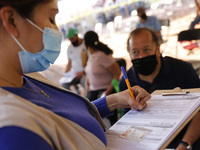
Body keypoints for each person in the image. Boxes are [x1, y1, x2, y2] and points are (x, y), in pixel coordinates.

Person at [0, 0, 151, 149]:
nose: (57, 31)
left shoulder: (27, 77)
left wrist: (113, 100)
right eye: (51, 18)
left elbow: (69, 124)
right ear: (11, 20)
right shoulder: (14, 133)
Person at [119, 27, 200, 149]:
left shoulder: (183, 70)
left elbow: (198, 113)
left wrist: (184, 145)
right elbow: (130, 122)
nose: (141, 56)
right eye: (135, 52)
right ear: (129, 54)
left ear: (157, 49)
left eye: (147, 50)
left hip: (187, 141)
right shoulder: (126, 84)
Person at [84, 30, 121, 125]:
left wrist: (107, 92)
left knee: (112, 122)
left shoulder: (102, 56)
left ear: (85, 44)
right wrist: (88, 83)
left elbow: (117, 73)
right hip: (93, 92)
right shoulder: (91, 56)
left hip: (105, 92)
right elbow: (90, 72)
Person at [60, 28, 87, 94]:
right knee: (63, 84)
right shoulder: (70, 48)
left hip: (85, 73)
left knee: (85, 83)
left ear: (77, 35)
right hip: (74, 74)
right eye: (69, 39)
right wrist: (66, 73)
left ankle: (88, 98)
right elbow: (69, 62)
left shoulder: (85, 45)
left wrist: (83, 71)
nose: (71, 41)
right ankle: (76, 96)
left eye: (72, 38)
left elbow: (90, 61)